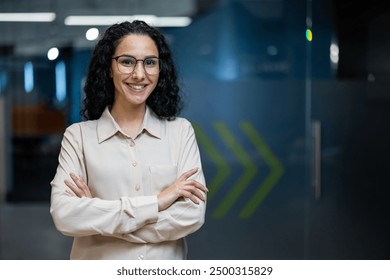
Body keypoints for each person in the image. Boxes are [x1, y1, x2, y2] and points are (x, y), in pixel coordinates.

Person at [50, 20, 207, 260]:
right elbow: (65, 215)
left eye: (150, 63)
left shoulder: (180, 132)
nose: (139, 74)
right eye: (127, 62)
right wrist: (158, 202)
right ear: (109, 68)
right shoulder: (78, 137)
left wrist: (101, 217)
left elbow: (191, 216)